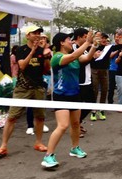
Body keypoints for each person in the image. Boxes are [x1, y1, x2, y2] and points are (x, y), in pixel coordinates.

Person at [41, 30, 95, 169]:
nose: (71, 42)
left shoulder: (75, 56)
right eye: (68, 40)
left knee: (76, 123)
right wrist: (87, 42)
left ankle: (75, 148)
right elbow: (73, 57)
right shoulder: (57, 57)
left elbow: (86, 58)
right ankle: (48, 156)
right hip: (61, 95)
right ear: (61, 42)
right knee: (63, 125)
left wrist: (94, 45)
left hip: (74, 94)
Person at [0, 26, 49, 157]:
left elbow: (46, 69)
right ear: (28, 35)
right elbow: (22, 66)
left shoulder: (42, 50)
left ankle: (39, 142)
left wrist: (46, 57)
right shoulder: (20, 49)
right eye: (34, 33)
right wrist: (33, 51)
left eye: (39, 33)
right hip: (22, 88)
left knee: (40, 117)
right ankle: (3, 146)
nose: (37, 35)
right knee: (12, 117)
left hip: (38, 87)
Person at [71, 28, 98, 137]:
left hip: (87, 80)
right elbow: (83, 60)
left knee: (90, 103)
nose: (88, 38)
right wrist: (93, 48)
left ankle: (77, 123)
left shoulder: (85, 48)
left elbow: (89, 58)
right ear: (79, 37)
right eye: (86, 36)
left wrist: (94, 50)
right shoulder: (74, 47)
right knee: (77, 107)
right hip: (78, 81)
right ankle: (75, 127)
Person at [90, 32, 111, 121]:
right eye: (102, 38)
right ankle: (93, 111)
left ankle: (101, 110)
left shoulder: (108, 48)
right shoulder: (92, 47)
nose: (104, 40)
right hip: (94, 70)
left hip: (105, 70)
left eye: (105, 38)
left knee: (104, 90)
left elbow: (120, 46)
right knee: (94, 90)